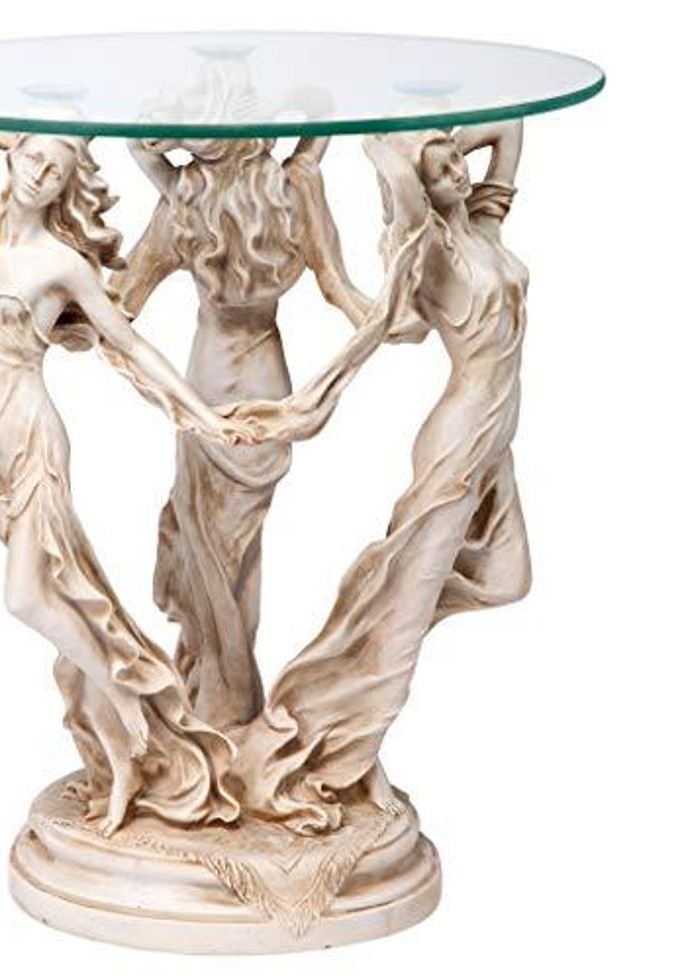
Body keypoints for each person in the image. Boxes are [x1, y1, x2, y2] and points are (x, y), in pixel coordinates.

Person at [0, 127, 255, 834]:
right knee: (64, 606)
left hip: (30, 434)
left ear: (65, 188)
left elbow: (130, 342)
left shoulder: (60, 264)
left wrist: (202, 414)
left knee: (28, 595)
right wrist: (51, 131)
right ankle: (121, 760)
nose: (39, 173)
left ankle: (133, 702)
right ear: (12, 155)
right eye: (31, 158)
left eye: (55, 170)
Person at [231, 121, 533, 834]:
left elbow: (511, 127)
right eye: (443, 169)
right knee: (401, 607)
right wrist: (389, 143)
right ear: (420, 190)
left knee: (506, 576)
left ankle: (358, 660)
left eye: (458, 161)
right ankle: (344, 753)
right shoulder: (428, 253)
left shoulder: (484, 229)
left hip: (497, 438)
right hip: (462, 434)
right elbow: (400, 194)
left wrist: (432, 133)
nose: (459, 171)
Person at [114, 135, 371, 728]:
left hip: (207, 380)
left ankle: (223, 696)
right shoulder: (291, 192)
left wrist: (57, 299)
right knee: (236, 547)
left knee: (210, 545)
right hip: (266, 378)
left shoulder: (186, 201)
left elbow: (125, 296)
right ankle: (227, 690)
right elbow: (338, 287)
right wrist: (384, 319)